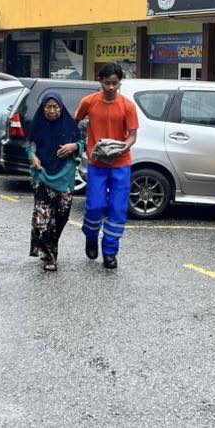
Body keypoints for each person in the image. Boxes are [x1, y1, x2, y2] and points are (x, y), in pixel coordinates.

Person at [75, 62, 139, 269]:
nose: (111, 87)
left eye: (115, 83)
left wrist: (122, 147)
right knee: (95, 205)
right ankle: (91, 236)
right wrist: (77, 144)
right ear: (100, 81)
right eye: (107, 83)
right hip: (97, 163)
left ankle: (110, 251)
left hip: (121, 163)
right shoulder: (89, 102)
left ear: (120, 83)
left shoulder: (128, 106)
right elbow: (74, 121)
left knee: (118, 208)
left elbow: (132, 136)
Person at [26, 91, 82, 272]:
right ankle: (50, 255)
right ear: (43, 109)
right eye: (48, 107)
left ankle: (50, 245)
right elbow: (30, 145)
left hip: (64, 178)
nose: (52, 111)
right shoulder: (38, 124)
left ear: (61, 107)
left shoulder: (69, 124)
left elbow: (82, 143)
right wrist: (33, 157)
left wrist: (74, 146)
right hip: (42, 175)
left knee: (60, 217)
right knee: (42, 218)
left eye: (55, 107)